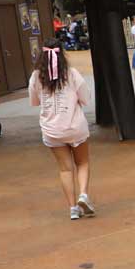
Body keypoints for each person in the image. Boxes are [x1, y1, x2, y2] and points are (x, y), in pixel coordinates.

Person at [29, 39, 95, 220]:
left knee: (65, 169)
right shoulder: (71, 74)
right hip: (75, 127)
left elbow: (34, 101)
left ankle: (73, 208)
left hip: (52, 130)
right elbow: (85, 97)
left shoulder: (36, 76)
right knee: (82, 163)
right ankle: (83, 194)